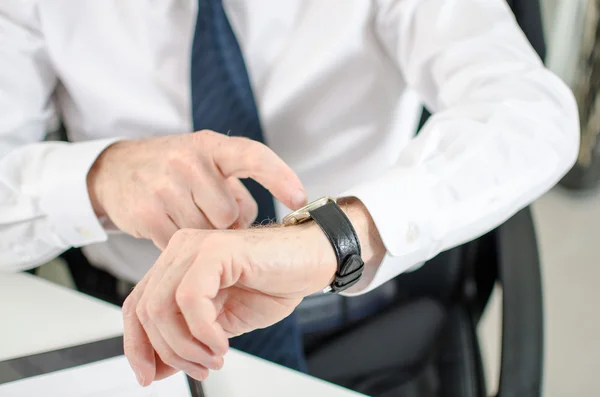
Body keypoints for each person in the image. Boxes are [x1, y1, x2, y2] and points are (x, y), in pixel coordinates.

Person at [0, 0, 579, 387]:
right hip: (132, 338)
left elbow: (531, 113)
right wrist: (99, 177)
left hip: (359, 322)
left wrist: (331, 239)